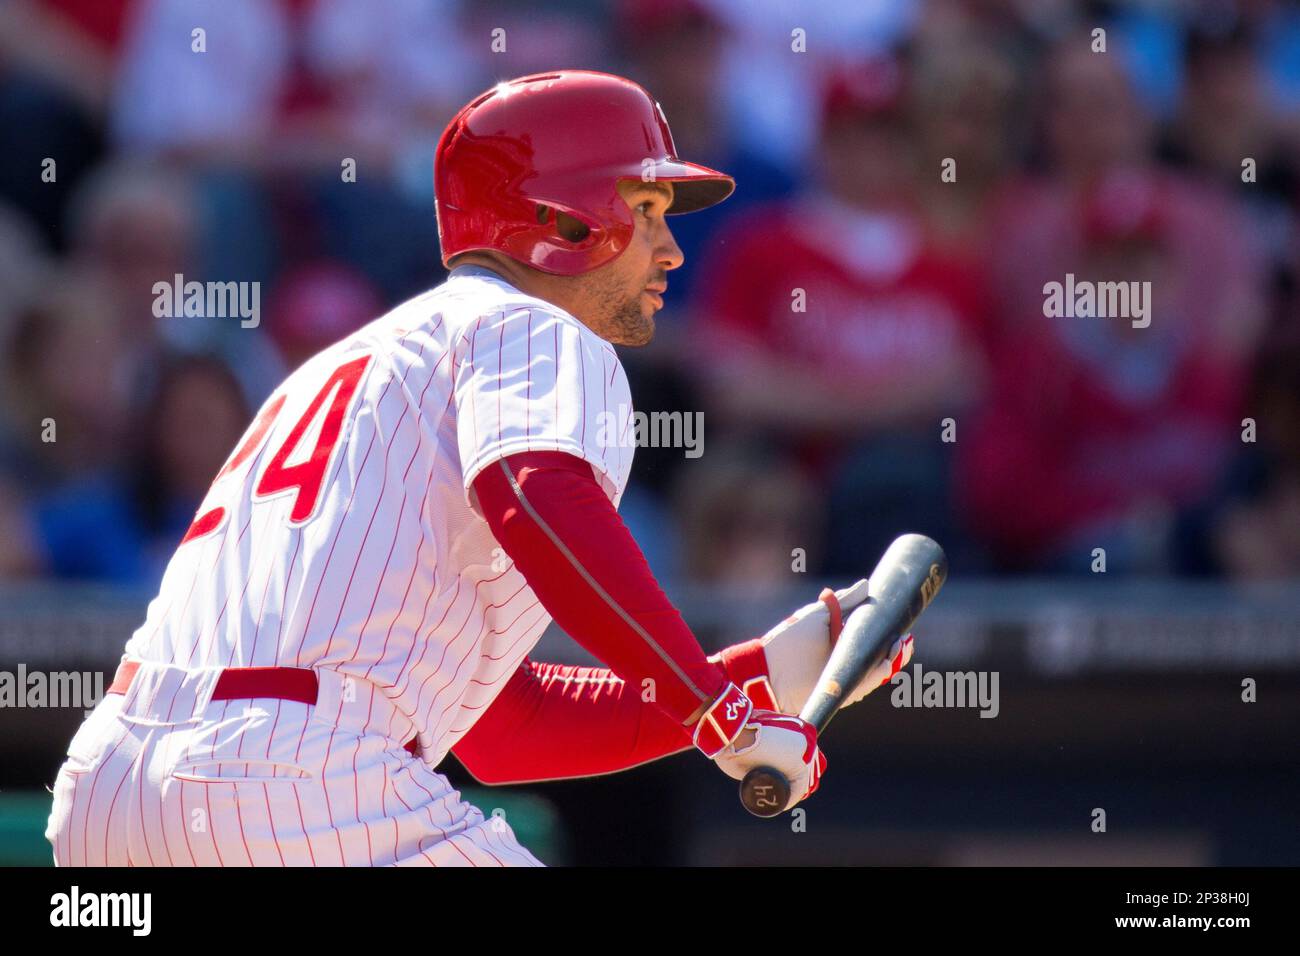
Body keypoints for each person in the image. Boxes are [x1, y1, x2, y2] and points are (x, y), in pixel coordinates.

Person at [46, 71, 911, 867]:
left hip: (113, 789)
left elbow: (501, 727)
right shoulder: (537, 327)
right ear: (564, 220)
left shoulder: (349, 368)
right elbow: (535, 500)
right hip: (298, 776)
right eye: (645, 210)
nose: (670, 251)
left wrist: (760, 671)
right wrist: (714, 712)